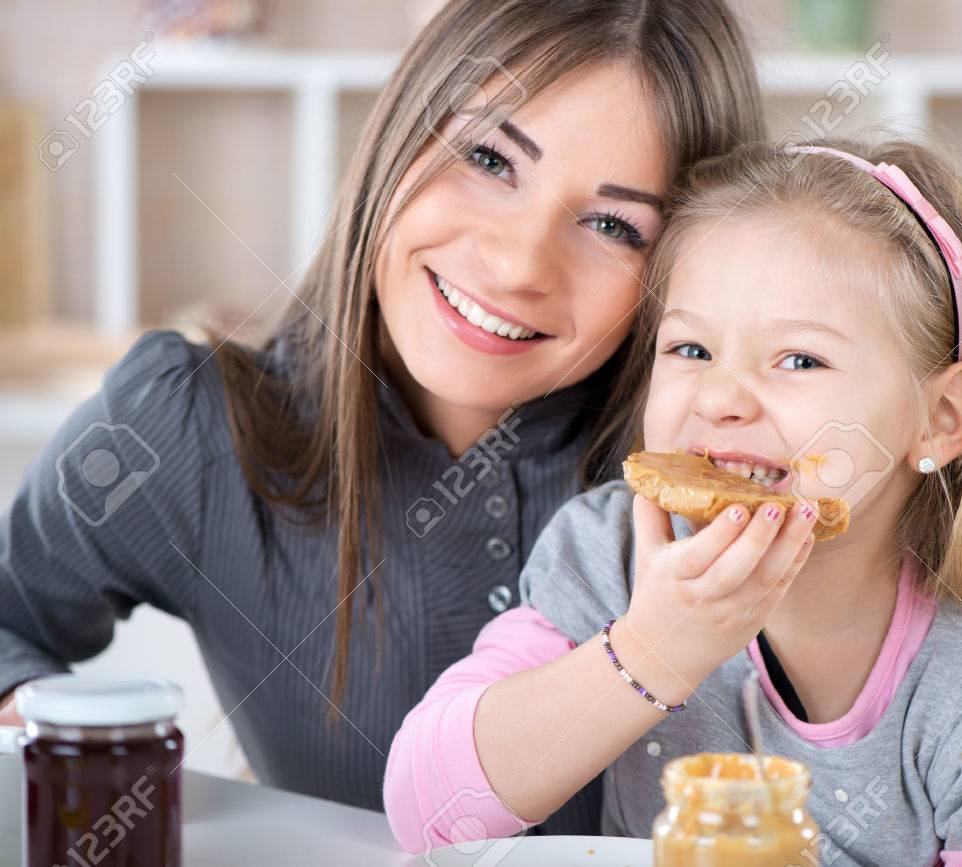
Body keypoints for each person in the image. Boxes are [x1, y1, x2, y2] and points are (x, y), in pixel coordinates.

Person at [0, 0, 765, 828]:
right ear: (400, 126)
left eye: (614, 224)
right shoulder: (185, 422)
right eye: (488, 157)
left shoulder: (725, 484)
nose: (516, 265)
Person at [384, 135, 962, 864]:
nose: (721, 396)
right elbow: (426, 808)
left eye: (799, 359)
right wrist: (650, 651)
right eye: (691, 349)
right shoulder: (610, 557)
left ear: (940, 417)